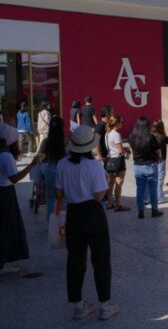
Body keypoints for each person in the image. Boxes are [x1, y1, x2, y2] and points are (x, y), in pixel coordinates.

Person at [55, 126, 119, 320]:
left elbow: (59, 194)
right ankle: (105, 305)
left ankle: (78, 305)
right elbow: (100, 195)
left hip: (73, 212)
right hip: (92, 212)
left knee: (75, 259)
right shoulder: (94, 165)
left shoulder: (62, 164)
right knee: (100, 258)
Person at [0, 124, 39, 273]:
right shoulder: (6, 156)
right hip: (5, 194)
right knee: (6, 228)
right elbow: (14, 178)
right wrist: (31, 165)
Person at [129, 117, 163, 220]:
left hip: (138, 166)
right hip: (150, 166)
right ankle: (154, 210)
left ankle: (141, 211)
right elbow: (158, 151)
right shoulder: (151, 137)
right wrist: (158, 159)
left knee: (140, 190)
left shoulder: (131, 137)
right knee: (153, 189)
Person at [40, 116, 68, 217]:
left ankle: (52, 223)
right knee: (64, 197)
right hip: (65, 170)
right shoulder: (66, 141)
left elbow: (41, 157)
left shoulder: (46, 141)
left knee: (50, 198)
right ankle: (63, 224)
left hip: (50, 169)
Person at [104, 115, 130, 212]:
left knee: (111, 183)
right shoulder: (116, 134)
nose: (122, 124)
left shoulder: (107, 134)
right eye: (121, 122)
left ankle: (110, 203)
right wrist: (127, 150)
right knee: (119, 183)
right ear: (117, 123)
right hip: (118, 160)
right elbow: (120, 150)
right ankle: (118, 205)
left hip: (110, 159)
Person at [151, 120, 168, 204]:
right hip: (161, 159)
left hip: (152, 160)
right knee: (160, 178)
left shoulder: (151, 136)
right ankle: (160, 197)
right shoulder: (163, 137)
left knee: (153, 178)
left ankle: (151, 197)